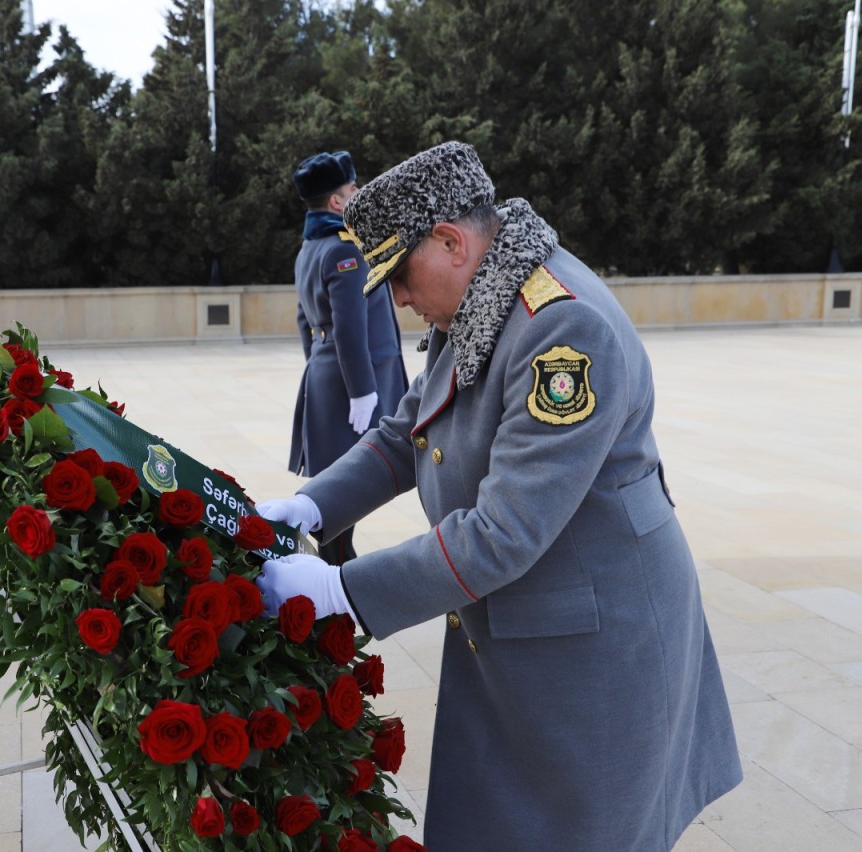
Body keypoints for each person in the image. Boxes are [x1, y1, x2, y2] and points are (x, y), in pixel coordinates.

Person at [255, 142, 742, 850]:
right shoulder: (483, 294)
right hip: (536, 616)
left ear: (451, 241)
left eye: (398, 275)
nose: (394, 299)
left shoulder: (560, 330)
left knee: (582, 833)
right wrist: (313, 506)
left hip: (597, 641)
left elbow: (506, 529)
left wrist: (344, 593)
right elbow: (406, 430)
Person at [286, 150, 409, 564]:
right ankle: (336, 606)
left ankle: (333, 595)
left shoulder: (310, 248)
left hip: (326, 375)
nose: (358, 194)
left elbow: (306, 321)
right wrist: (362, 390)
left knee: (335, 499)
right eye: (353, 189)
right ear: (337, 202)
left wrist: (317, 363)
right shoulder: (345, 249)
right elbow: (349, 327)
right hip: (352, 383)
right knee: (344, 500)